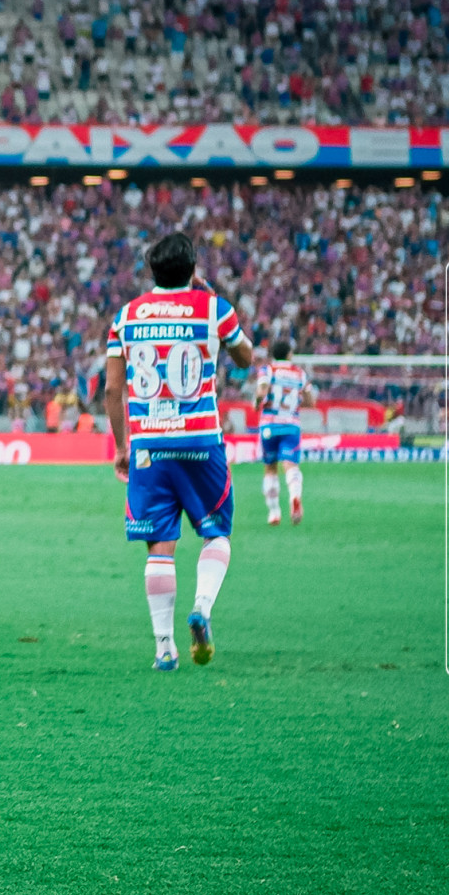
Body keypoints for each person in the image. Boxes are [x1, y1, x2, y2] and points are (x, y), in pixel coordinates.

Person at [102, 232, 255, 672]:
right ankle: (202, 609)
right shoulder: (213, 308)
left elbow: (114, 388)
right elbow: (246, 357)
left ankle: (164, 647)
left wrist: (121, 445)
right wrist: (210, 299)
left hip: (149, 445)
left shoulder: (126, 316)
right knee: (216, 534)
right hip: (200, 441)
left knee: (159, 548)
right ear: (193, 269)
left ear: (151, 272)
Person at [251, 338, 313, 525]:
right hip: (291, 425)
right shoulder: (299, 373)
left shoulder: (268, 370)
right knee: (291, 466)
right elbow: (310, 399)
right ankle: (294, 499)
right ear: (289, 354)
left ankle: (274, 512)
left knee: (270, 468)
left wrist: (256, 404)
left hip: (269, 424)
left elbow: (262, 392)